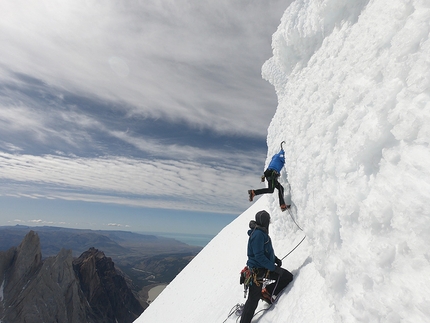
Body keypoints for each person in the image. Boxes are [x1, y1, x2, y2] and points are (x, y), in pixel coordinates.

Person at [240, 210, 293, 323]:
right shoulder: (258, 234)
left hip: (262, 269)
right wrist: (273, 267)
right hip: (257, 272)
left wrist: (275, 259)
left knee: (286, 276)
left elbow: (266, 252)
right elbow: (259, 256)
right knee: (253, 300)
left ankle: (267, 292)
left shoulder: (261, 233)